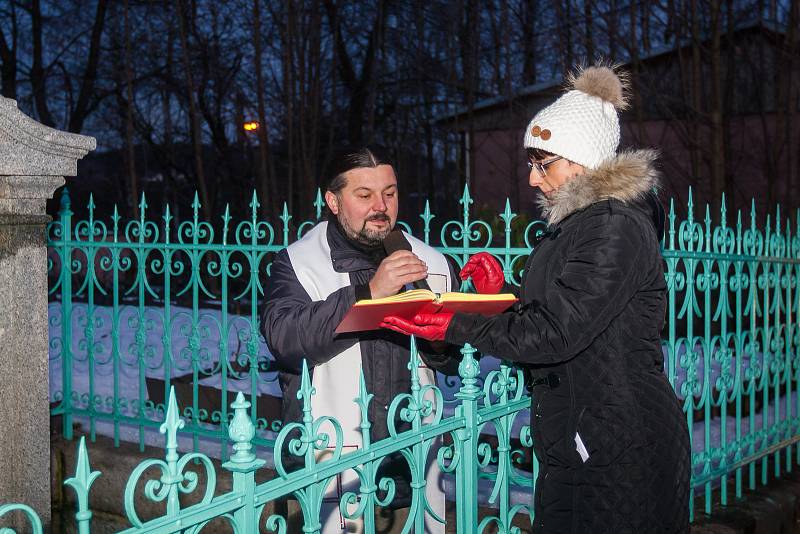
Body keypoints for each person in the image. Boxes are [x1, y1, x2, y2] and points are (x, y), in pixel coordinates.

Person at [381, 65, 691, 533]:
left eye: (543, 164)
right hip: (585, 438)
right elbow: (561, 317)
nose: (531, 178)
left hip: (621, 448)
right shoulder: (583, 225)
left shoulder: (615, 227)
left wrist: (454, 322)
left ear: (581, 162)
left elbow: (557, 334)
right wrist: (498, 299)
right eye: (531, 163)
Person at [261, 146, 458, 533]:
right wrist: (368, 293)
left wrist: (446, 337)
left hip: (413, 462)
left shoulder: (432, 262)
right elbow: (284, 337)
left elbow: (454, 357)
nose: (381, 206)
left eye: (390, 192)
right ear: (332, 201)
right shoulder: (298, 263)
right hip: (329, 462)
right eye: (364, 195)